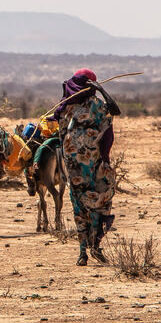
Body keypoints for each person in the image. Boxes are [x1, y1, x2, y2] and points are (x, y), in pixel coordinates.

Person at [49, 68, 121, 265]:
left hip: (71, 167)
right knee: (100, 201)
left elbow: (60, 133)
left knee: (78, 205)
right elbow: (111, 122)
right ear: (91, 85)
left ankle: (83, 253)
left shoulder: (64, 107)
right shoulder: (96, 105)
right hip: (93, 165)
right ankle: (95, 245)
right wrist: (102, 92)